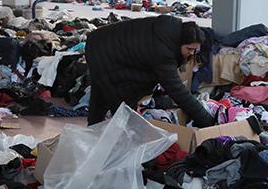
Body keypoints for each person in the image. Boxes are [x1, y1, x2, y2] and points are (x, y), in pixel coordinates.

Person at [85, 15, 215, 127]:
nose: (191, 53)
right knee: (119, 102)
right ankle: (123, 145)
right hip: (104, 51)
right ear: (181, 42)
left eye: (194, 50)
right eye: (189, 49)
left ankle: (93, 132)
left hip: (100, 42)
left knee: (101, 93)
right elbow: (177, 90)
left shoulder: (172, 28)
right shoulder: (164, 51)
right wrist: (207, 121)